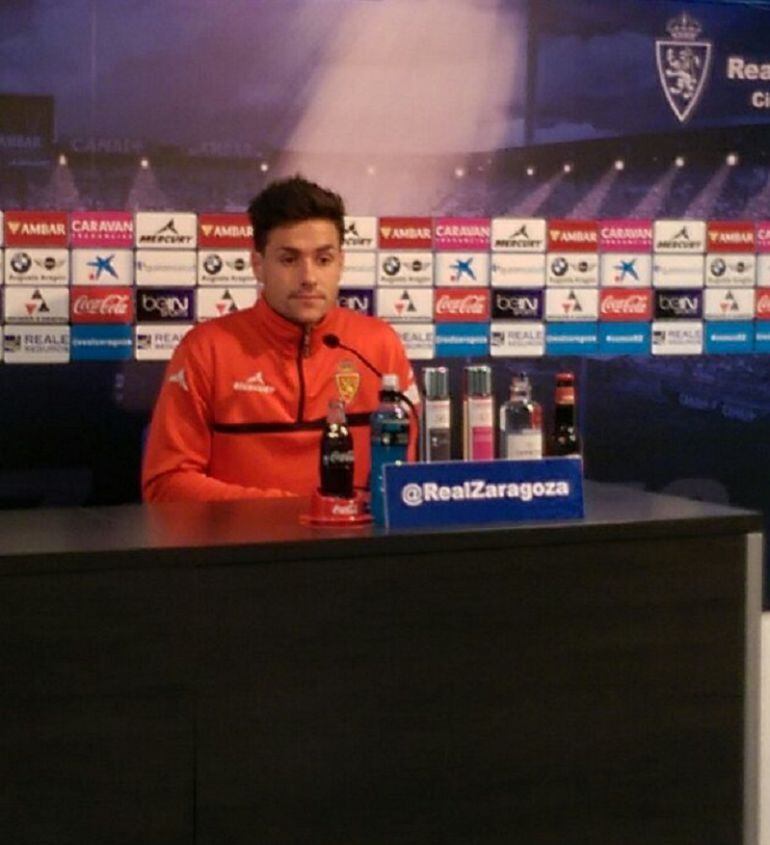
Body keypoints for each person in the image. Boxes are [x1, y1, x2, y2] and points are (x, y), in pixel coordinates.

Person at [142, 175, 417, 501]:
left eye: (323, 259)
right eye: (289, 259)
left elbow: (403, 480)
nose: (309, 277)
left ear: (341, 263)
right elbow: (166, 485)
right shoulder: (206, 349)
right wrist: (292, 513)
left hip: (353, 546)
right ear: (258, 265)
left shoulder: (378, 346)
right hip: (244, 549)